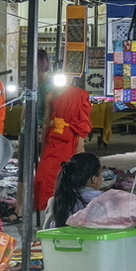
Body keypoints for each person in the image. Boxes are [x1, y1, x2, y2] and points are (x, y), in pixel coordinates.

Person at [35, 74, 95, 210]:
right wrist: (43, 146)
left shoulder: (79, 95)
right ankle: (47, 208)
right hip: (52, 139)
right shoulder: (50, 95)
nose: (67, 78)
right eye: (64, 75)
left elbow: (82, 122)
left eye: (70, 76)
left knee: (68, 175)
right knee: (43, 177)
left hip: (70, 139)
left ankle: (67, 207)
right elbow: (46, 122)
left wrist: (80, 145)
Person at [46, 152, 104, 228]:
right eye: (101, 173)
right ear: (94, 179)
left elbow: (46, 231)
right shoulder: (106, 201)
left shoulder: (55, 202)